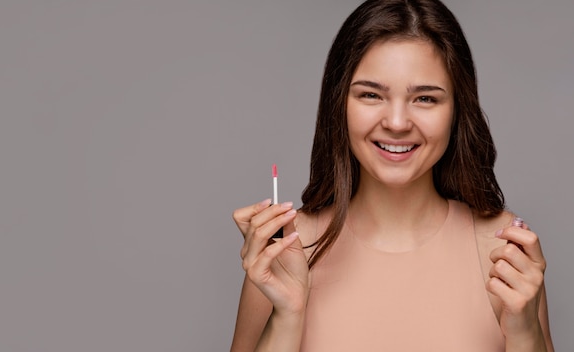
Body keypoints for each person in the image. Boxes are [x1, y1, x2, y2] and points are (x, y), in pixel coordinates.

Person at [231, 0, 554, 351]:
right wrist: (287, 314)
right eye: (371, 95)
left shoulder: (504, 253)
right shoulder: (283, 252)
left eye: (425, 99)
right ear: (339, 104)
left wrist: (525, 333)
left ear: (457, 111)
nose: (397, 123)